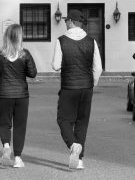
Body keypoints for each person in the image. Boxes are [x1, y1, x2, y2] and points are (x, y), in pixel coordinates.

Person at [52, 9, 102, 170]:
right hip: (86, 87)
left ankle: (73, 145)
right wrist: (92, 83)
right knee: (82, 122)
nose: (65, 22)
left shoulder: (61, 40)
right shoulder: (91, 41)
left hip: (69, 86)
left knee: (64, 120)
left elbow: (55, 65)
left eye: (67, 21)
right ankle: (79, 160)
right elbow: (98, 68)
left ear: (72, 22)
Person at [0, 23, 37, 168]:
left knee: (5, 124)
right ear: (19, 37)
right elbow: (33, 73)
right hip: (21, 95)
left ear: (7, 36)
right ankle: (17, 159)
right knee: (20, 126)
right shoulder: (25, 53)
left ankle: (6, 145)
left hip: (4, 94)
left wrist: (1, 69)